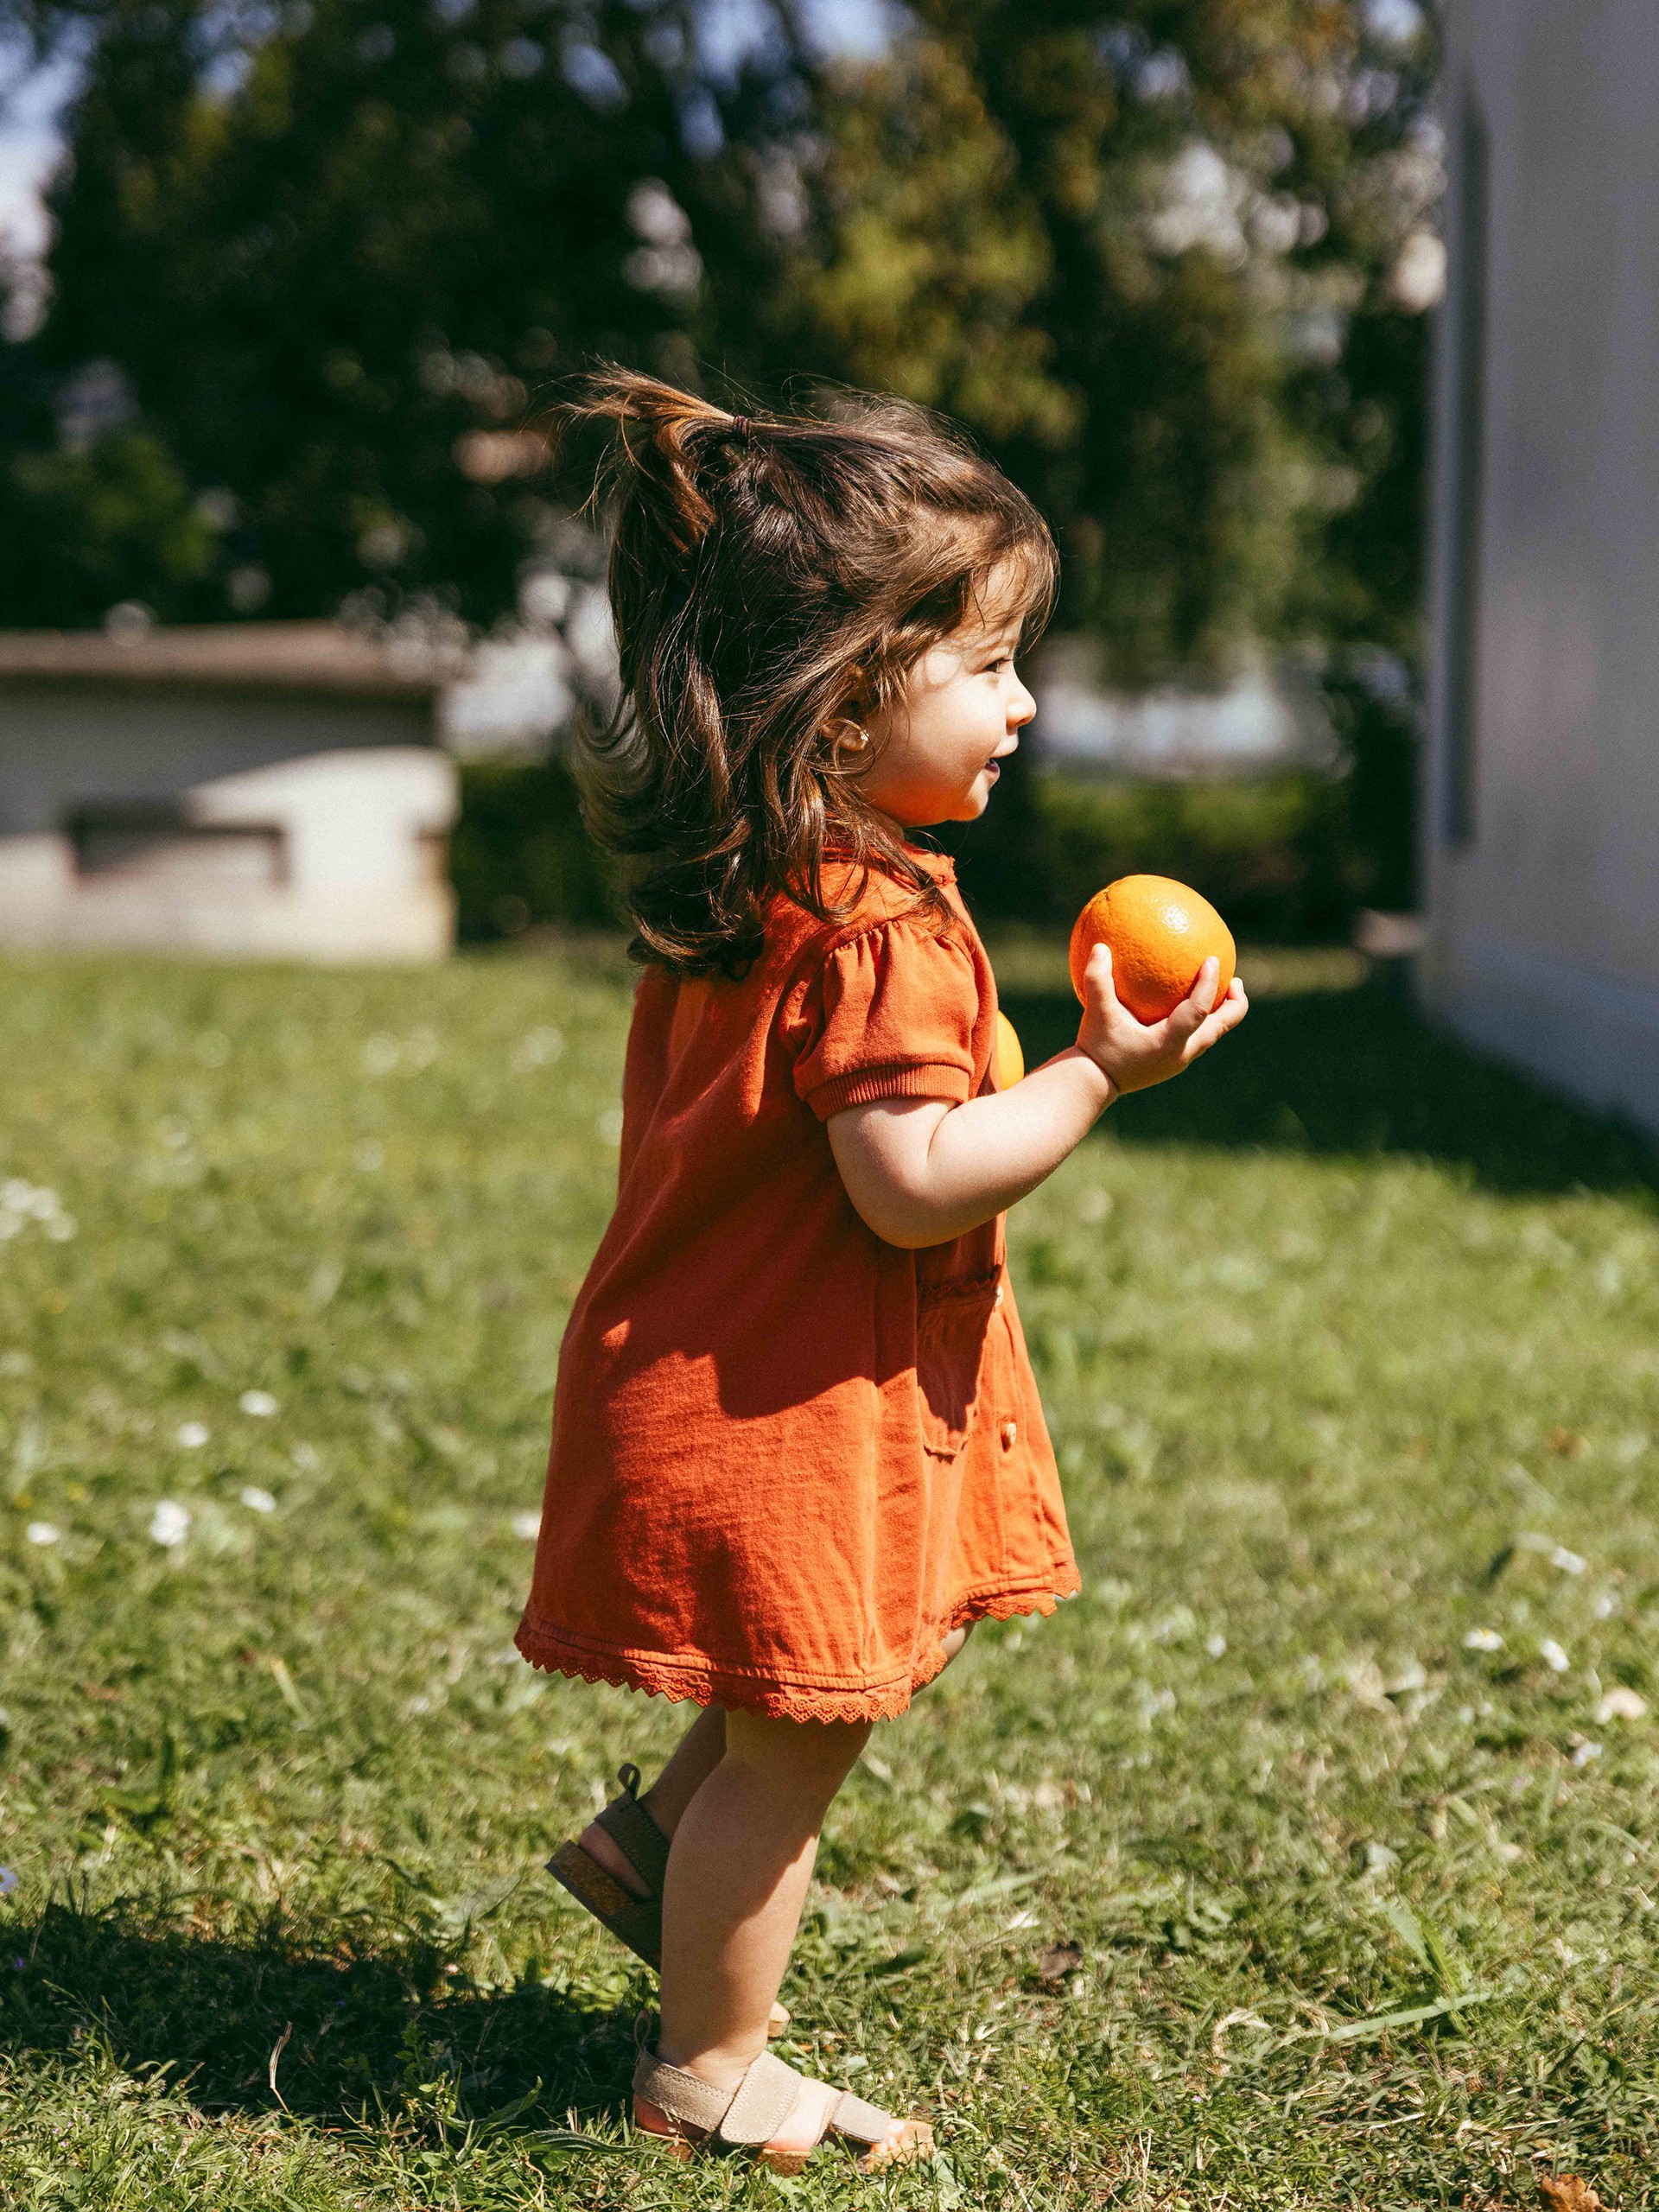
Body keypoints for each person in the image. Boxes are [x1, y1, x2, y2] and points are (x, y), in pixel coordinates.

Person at [515, 371, 1248, 2176]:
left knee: (767, 1701)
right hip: (787, 1405)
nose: (1024, 704)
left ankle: (640, 1857)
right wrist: (1094, 1074)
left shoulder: (767, 886)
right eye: (989, 664)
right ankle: (712, 2064)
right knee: (801, 1737)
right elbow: (913, 1181)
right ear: (847, 702)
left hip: (720, 1365)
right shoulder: (879, 921)